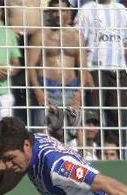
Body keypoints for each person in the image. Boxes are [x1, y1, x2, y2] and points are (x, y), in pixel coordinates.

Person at [75, 0, 127, 150]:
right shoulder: (87, 9)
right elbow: (79, 42)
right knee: (93, 116)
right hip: (95, 70)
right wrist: (85, 71)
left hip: (118, 69)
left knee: (118, 117)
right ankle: (92, 152)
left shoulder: (120, 9)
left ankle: (115, 153)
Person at [27, 0, 88, 140]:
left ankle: (83, 158)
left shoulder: (76, 36)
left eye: (62, 10)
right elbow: (30, 66)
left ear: (68, 12)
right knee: (43, 133)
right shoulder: (41, 35)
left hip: (72, 89)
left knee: (77, 128)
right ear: (49, 12)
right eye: (54, 11)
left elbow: (83, 67)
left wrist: (80, 92)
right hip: (48, 88)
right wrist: (38, 91)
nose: (58, 14)